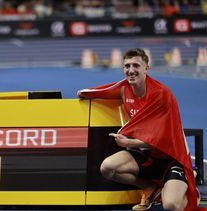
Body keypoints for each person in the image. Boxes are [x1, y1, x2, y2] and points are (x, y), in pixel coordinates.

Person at [77, 48, 199, 211]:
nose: (131, 70)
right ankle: (151, 188)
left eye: (136, 65)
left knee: (171, 206)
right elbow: (99, 91)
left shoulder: (162, 95)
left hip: (171, 158)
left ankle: (188, 188)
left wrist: (130, 143)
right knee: (108, 168)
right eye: (127, 66)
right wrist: (84, 94)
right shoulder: (123, 88)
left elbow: (166, 141)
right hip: (147, 156)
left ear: (146, 68)